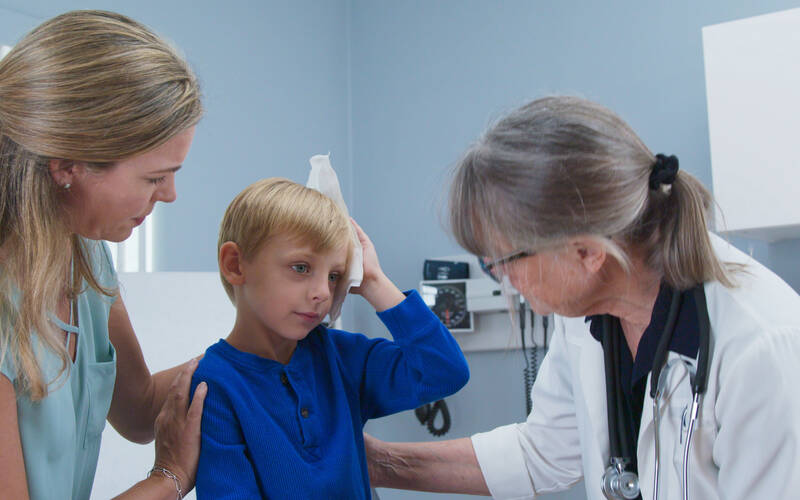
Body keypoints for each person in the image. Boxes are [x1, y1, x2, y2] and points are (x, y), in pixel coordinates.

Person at [365, 96, 800, 499]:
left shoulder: (761, 348)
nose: (500, 277)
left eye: (503, 259)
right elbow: (543, 451)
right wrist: (378, 463)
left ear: (588, 252)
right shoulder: (587, 308)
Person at [0, 10, 208, 500]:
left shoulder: (86, 256)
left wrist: (258, 349)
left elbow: (138, 411)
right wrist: (170, 478)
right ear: (67, 164)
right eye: (155, 177)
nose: (171, 195)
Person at [189, 178, 470, 499]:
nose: (323, 292)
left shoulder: (343, 357)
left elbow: (445, 372)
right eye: (301, 267)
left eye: (334, 276)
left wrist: (375, 282)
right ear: (235, 264)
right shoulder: (213, 386)